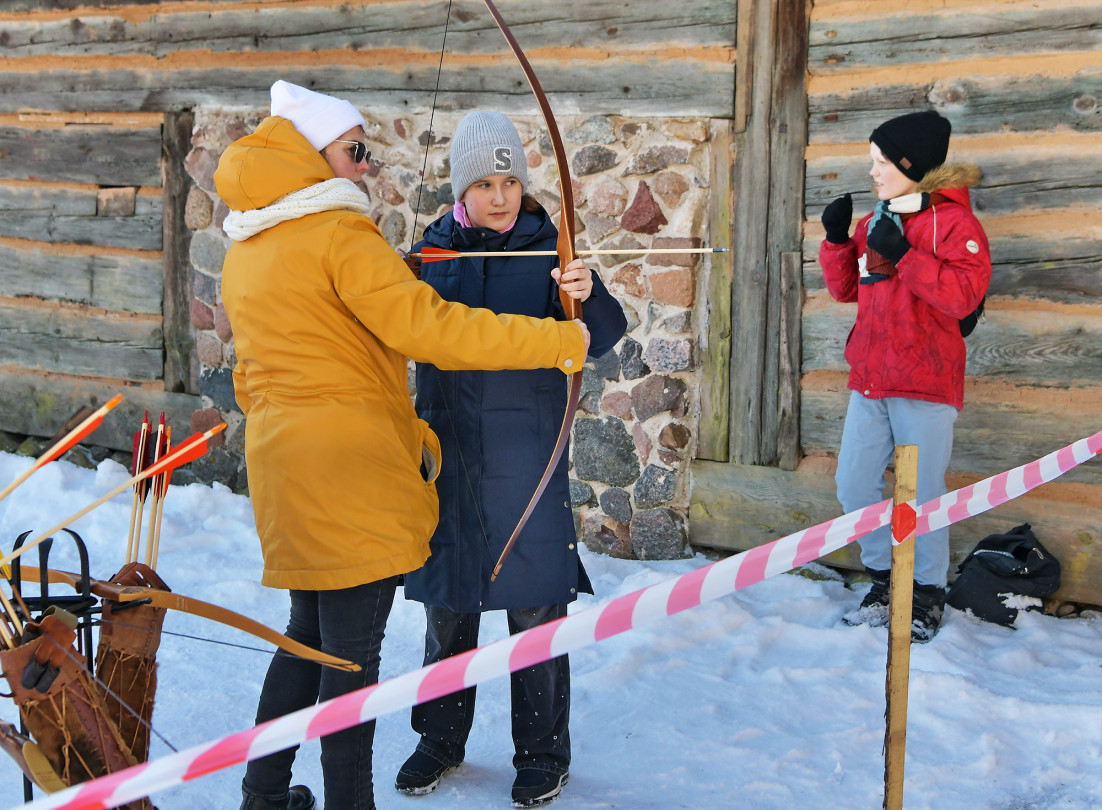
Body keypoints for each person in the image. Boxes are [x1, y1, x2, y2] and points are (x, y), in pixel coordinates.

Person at [216, 82, 591, 810]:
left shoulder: (250, 242)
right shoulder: (339, 235)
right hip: (351, 469)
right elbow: (433, 330)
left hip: (283, 465)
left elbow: (253, 375)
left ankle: (263, 795)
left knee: (306, 635)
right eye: (354, 150)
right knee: (350, 659)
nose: (365, 164)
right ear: (311, 153)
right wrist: (559, 341)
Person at [394, 111, 627, 808]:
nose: (500, 197)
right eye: (484, 185)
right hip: (449, 454)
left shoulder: (550, 250)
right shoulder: (432, 253)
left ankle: (543, 754)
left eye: (510, 182)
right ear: (461, 191)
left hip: (527, 454)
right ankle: (439, 740)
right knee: (449, 606)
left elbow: (602, 337)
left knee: (533, 610)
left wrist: (588, 296)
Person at [818, 109, 991, 643]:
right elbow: (848, 290)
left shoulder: (955, 224)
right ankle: (884, 578)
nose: (873, 172)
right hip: (871, 379)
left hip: (925, 381)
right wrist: (837, 240)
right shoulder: (877, 221)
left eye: (882, 162)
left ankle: (925, 591)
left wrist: (907, 255)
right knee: (853, 484)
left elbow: (963, 297)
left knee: (922, 496)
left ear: (911, 165)